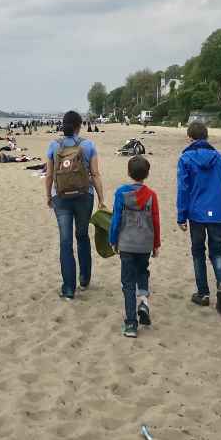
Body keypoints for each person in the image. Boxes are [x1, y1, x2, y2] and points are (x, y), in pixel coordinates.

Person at [45, 110, 107, 300]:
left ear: (63, 125)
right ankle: (85, 278)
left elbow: (48, 175)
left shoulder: (53, 145)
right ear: (80, 125)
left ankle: (69, 288)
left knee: (65, 241)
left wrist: (48, 195)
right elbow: (95, 174)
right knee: (82, 236)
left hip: (61, 197)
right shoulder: (88, 145)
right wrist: (101, 199)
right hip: (84, 196)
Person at [177, 121, 221, 315]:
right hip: (219, 212)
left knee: (198, 251)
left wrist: (181, 216)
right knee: (218, 251)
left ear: (190, 137)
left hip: (197, 213)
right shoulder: (220, 159)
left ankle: (203, 293)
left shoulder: (186, 158)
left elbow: (183, 189)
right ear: (207, 137)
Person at [109, 156, 161, 338]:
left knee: (128, 283)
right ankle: (144, 302)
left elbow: (116, 218)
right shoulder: (151, 195)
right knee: (142, 273)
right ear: (147, 174)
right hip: (145, 243)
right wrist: (156, 244)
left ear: (129, 173)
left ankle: (131, 323)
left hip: (127, 243)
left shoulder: (121, 193)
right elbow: (155, 221)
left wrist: (113, 239)